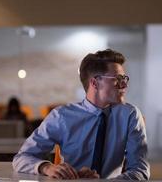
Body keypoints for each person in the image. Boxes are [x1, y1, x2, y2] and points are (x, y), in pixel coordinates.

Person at [12, 49, 150, 180]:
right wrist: (47, 167)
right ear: (95, 83)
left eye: (124, 79)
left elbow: (140, 170)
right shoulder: (61, 116)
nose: (124, 85)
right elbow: (22, 157)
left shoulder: (130, 115)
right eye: (117, 79)